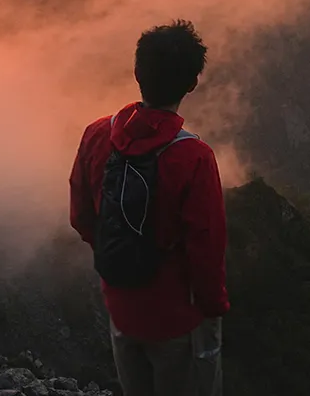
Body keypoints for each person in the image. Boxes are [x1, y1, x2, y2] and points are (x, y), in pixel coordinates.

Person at [70, 20, 228, 396]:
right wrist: (213, 306)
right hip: (178, 318)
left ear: (137, 72)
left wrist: (119, 258)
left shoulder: (96, 134)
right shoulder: (193, 156)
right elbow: (205, 247)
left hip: (122, 305)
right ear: (192, 83)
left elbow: (81, 217)